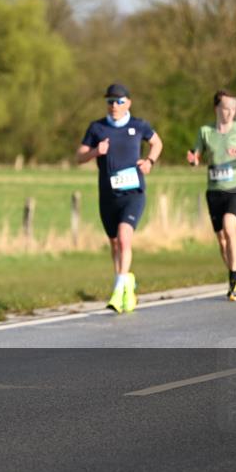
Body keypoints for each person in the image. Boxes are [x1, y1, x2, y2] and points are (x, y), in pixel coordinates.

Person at [76, 84, 163, 314]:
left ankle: (118, 288)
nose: (114, 106)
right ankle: (126, 284)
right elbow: (79, 156)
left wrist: (149, 162)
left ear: (128, 103)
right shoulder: (97, 128)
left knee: (125, 238)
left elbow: (157, 142)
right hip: (107, 196)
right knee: (114, 243)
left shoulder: (139, 125)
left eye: (119, 101)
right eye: (110, 102)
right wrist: (96, 152)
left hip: (133, 193)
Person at [187, 90, 236, 301]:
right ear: (216, 109)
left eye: (233, 109)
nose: (230, 113)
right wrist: (193, 159)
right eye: (226, 108)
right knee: (222, 240)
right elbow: (196, 155)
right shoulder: (205, 131)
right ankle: (235, 275)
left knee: (230, 228)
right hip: (214, 190)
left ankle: (233, 279)